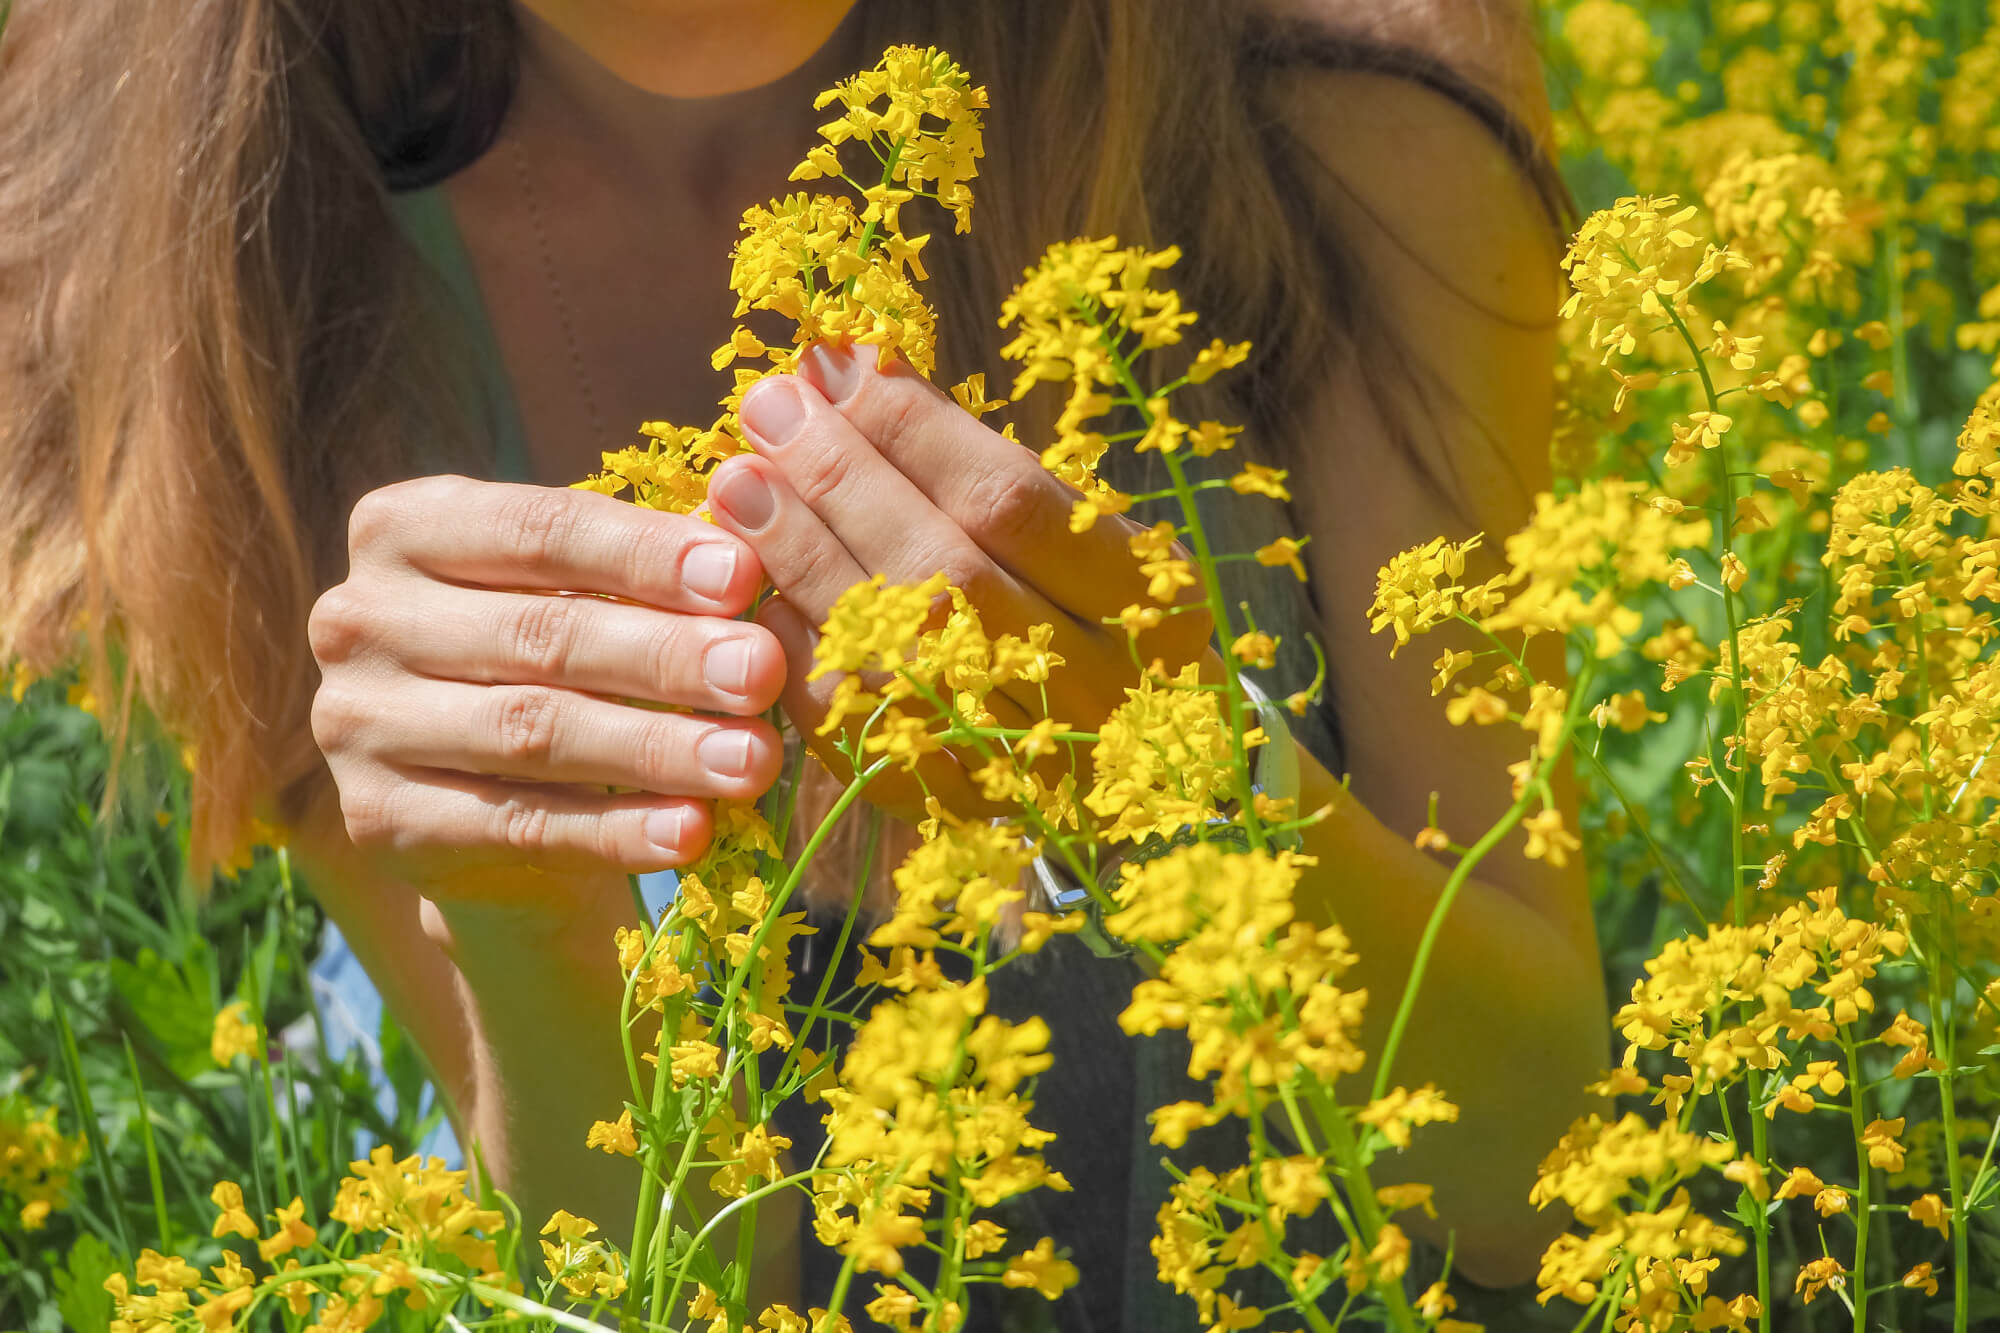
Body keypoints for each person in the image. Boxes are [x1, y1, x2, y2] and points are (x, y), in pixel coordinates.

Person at [0, 0, 1608, 1322]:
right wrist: (528, 941)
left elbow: (1536, 1158)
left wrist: (1181, 775)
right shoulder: (235, 265)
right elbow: (660, 1276)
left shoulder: (1338, 117)